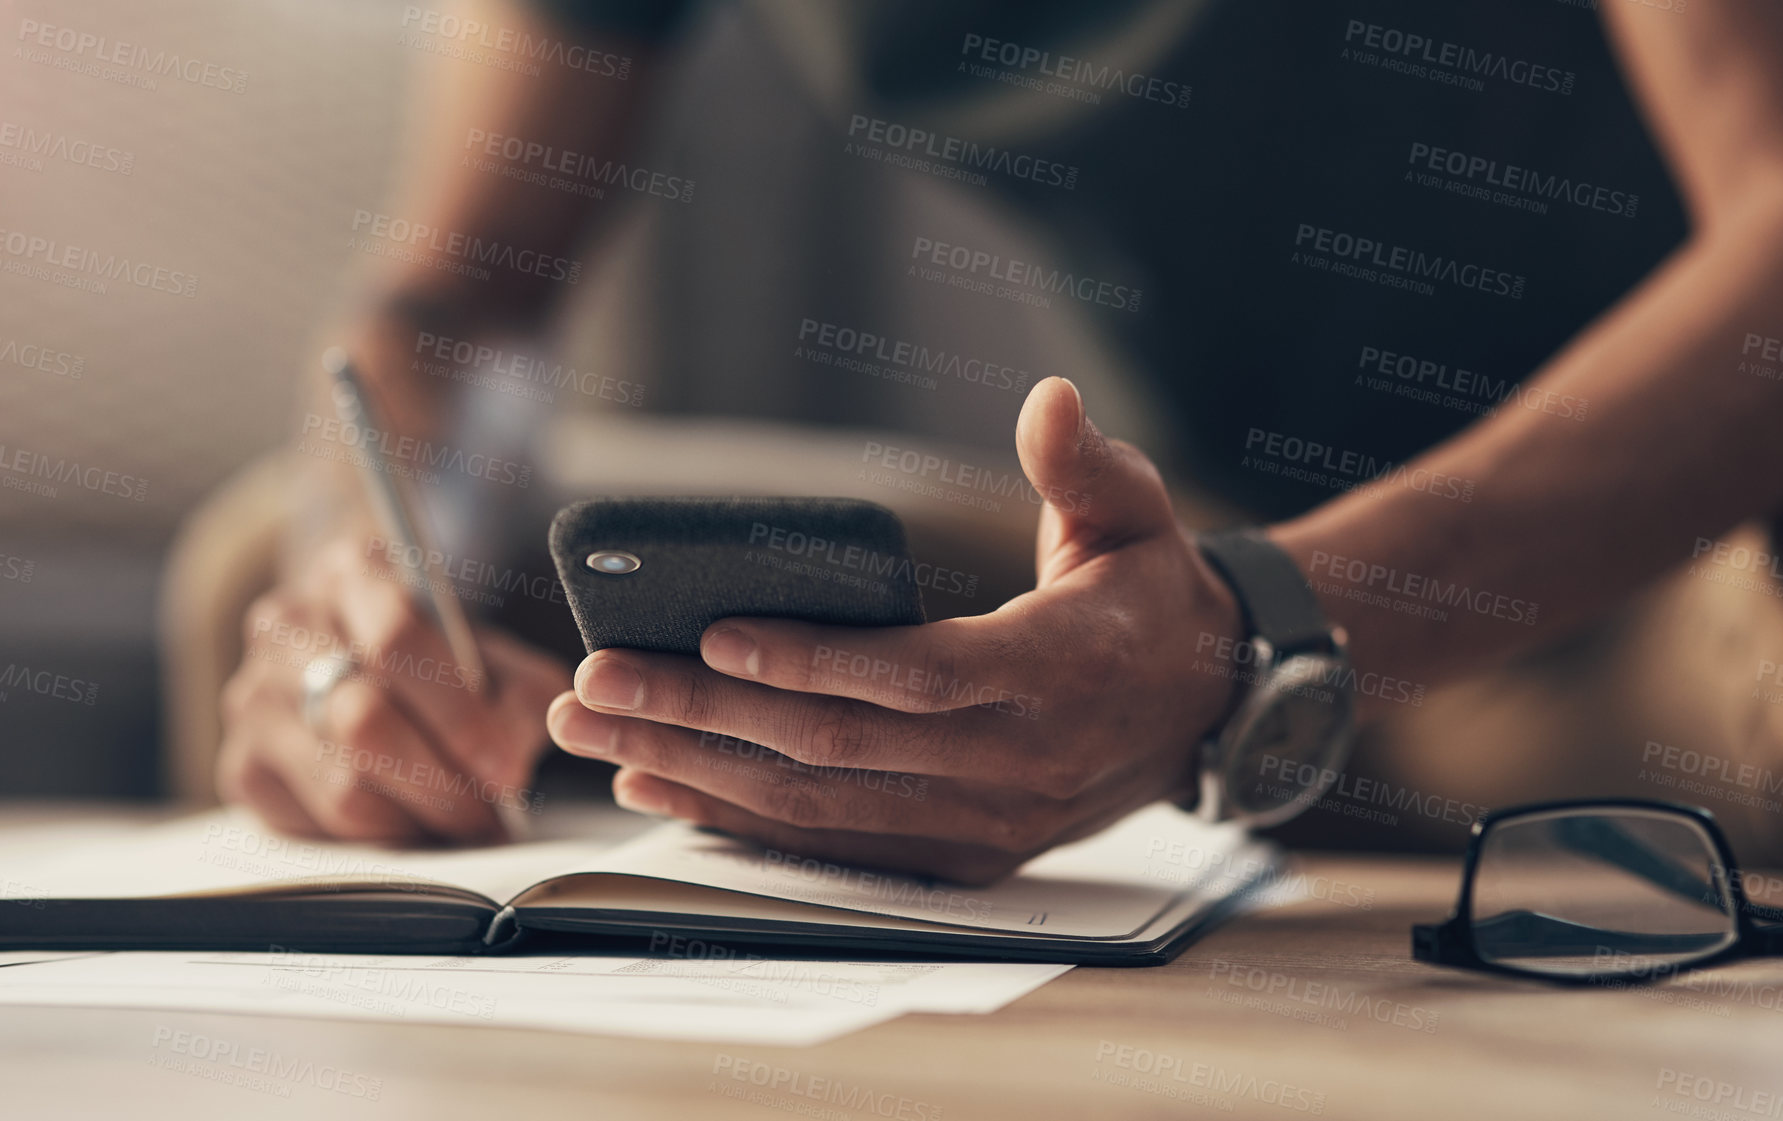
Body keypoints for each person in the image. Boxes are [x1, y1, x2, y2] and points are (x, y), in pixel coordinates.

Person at [218, 0, 1783, 882]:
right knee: (265, 579)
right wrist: (377, 577)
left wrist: (1262, 637)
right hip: (1182, 562)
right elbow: (458, 301)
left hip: (1660, 571)